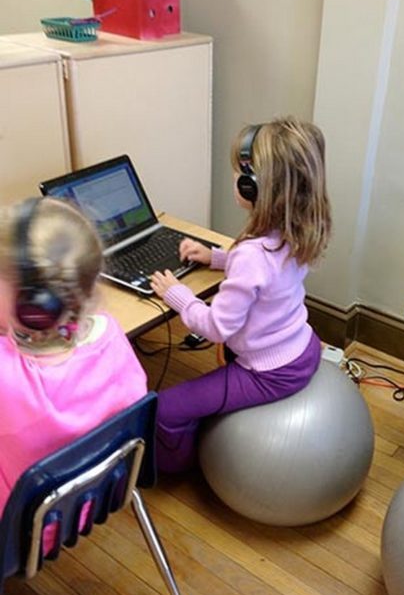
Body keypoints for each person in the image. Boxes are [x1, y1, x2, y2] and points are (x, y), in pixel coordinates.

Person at [150, 116, 332, 473]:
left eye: (239, 173)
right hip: (303, 348)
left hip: (270, 372)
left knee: (163, 409)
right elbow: (267, 279)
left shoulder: (251, 255)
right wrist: (216, 257)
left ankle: (177, 471)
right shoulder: (299, 228)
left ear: (252, 187)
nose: (234, 178)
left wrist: (179, 295)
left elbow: (217, 328)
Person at [0, 197, 147, 535]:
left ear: (32, 308)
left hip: (22, 532)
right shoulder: (109, 334)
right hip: (93, 499)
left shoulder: (10, 376)